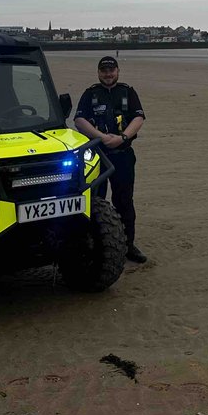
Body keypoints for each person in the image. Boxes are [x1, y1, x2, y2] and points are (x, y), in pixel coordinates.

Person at [74, 55, 147, 263]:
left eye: (111, 70)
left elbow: (138, 117)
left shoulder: (127, 92)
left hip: (122, 155)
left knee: (124, 201)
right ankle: (94, 244)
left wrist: (123, 137)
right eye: (104, 71)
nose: (108, 74)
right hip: (96, 156)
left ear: (117, 71)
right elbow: (79, 120)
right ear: (98, 73)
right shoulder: (90, 94)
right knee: (95, 201)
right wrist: (103, 138)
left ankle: (127, 245)